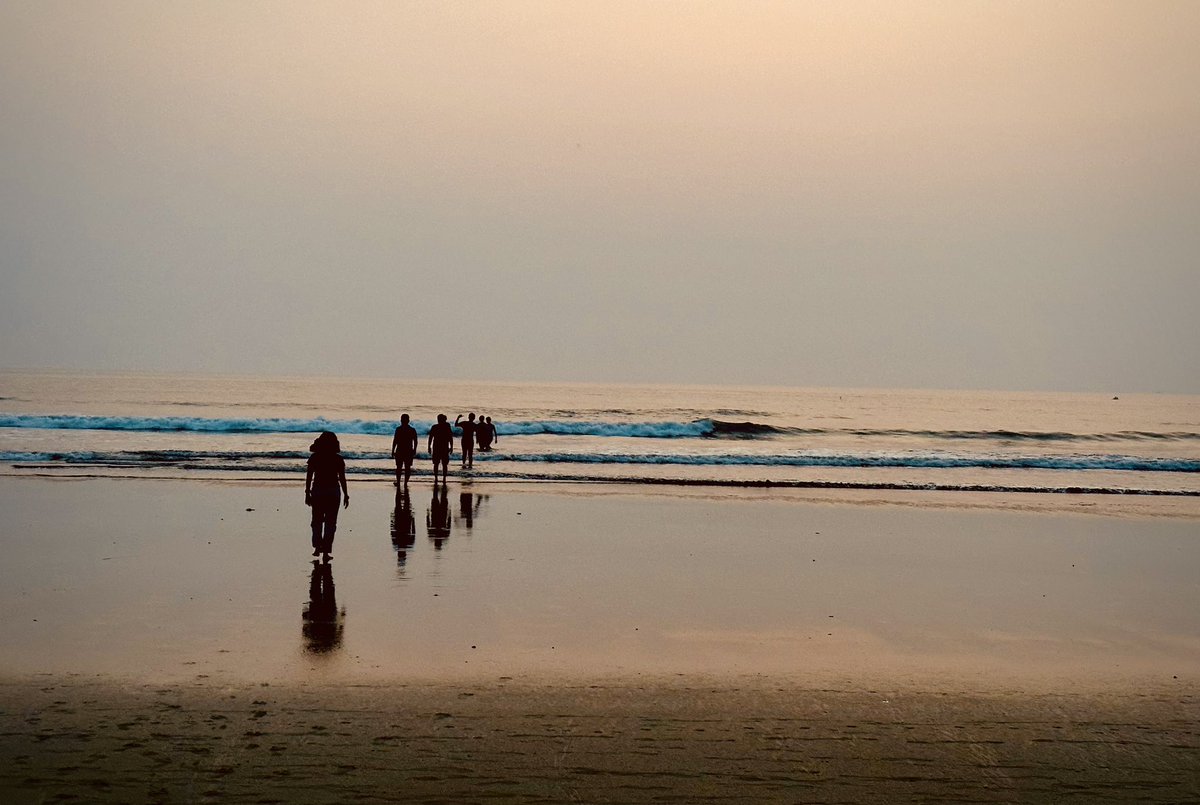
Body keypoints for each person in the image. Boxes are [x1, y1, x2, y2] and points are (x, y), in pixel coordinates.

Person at [305, 431, 349, 561]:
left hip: (318, 490)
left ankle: (317, 547)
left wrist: (307, 492)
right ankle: (326, 551)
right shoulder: (338, 459)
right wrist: (346, 494)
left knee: (317, 520)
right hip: (333, 491)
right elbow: (342, 478)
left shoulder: (315, 457)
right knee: (331, 522)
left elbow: (309, 476)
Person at [390, 413, 418, 486]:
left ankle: (399, 482)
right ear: (408, 420)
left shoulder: (399, 429)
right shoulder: (412, 430)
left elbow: (395, 440)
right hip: (408, 450)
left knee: (399, 467)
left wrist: (393, 450)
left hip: (400, 450)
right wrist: (414, 449)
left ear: (401, 420)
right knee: (407, 468)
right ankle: (405, 483)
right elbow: (415, 441)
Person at [427, 414, 454, 484]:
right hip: (443, 447)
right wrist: (451, 446)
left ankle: (436, 478)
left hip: (437, 447)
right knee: (444, 464)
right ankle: (443, 478)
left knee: (436, 464)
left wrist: (429, 446)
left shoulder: (435, 427)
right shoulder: (447, 427)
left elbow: (430, 437)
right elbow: (450, 437)